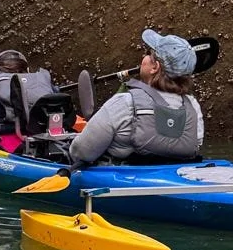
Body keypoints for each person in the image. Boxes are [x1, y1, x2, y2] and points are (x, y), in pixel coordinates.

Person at [69, 30, 204, 164]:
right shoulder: (193, 107)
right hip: (174, 179)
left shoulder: (125, 103)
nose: (143, 58)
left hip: (121, 181)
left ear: (154, 67)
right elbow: (195, 146)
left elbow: (80, 152)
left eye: (148, 54)